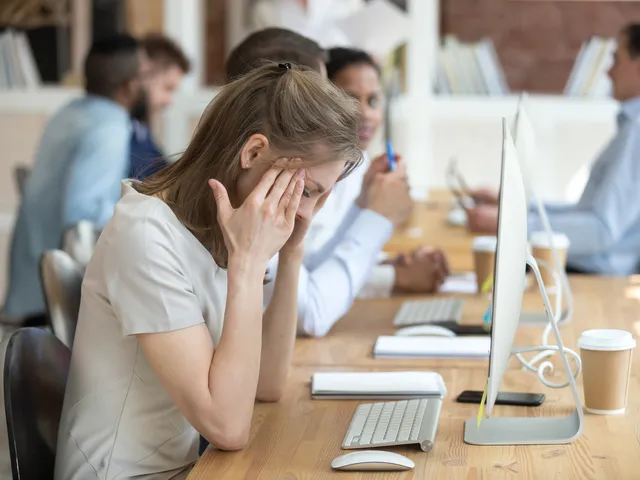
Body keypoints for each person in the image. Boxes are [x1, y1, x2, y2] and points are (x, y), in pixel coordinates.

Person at [54, 62, 362, 479]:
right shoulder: (146, 235)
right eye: (306, 191)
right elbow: (227, 426)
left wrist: (291, 253)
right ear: (253, 153)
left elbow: (267, 384)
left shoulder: (219, 229)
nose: (304, 210)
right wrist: (249, 267)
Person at [228, 30, 449, 338]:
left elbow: (309, 271)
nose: (342, 114)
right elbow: (312, 314)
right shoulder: (251, 205)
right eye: (325, 98)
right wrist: (376, 219)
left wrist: (364, 207)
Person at [466, 23, 640, 276]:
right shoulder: (630, 128)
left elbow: (601, 230)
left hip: (592, 276)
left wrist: (513, 225)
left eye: (617, 59)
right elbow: (586, 213)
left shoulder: (637, 131)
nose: (608, 72)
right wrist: (516, 206)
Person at [2, 35, 150, 325]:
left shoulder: (68, 113)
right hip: (58, 301)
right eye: (145, 75)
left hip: (31, 284)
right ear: (131, 85)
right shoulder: (109, 127)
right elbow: (82, 219)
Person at [130, 34, 191, 180]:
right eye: (167, 88)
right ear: (144, 73)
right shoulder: (121, 133)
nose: (169, 101)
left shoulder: (141, 131)